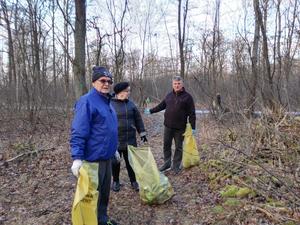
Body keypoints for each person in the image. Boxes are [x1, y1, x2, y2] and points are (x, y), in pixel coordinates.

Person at [70, 66, 119, 225]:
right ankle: (92, 221)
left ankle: (102, 219)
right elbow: (79, 131)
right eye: (102, 81)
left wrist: (114, 149)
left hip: (106, 159)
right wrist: (77, 158)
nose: (106, 84)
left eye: (109, 81)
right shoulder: (87, 101)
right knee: (92, 196)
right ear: (93, 82)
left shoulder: (108, 102)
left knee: (104, 194)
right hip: (92, 161)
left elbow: (108, 130)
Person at [144, 75, 196, 174]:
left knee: (178, 147)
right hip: (168, 126)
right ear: (172, 84)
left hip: (180, 128)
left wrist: (193, 127)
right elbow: (161, 106)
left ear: (182, 84)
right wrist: (151, 111)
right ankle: (167, 163)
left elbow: (192, 113)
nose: (177, 85)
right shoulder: (169, 96)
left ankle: (176, 166)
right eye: (175, 84)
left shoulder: (188, 97)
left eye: (179, 84)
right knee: (166, 145)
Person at [111, 81, 148, 192]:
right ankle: (116, 181)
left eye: (129, 91)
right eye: (127, 91)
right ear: (119, 92)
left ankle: (133, 181)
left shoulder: (131, 104)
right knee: (115, 162)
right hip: (115, 141)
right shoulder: (110, 104)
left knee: (131, 162)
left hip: (130, 140)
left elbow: (138, 120)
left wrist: (142, 133)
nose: (128, 93)